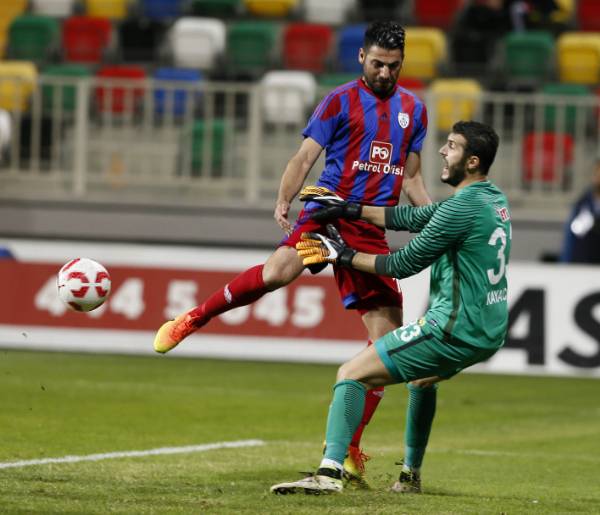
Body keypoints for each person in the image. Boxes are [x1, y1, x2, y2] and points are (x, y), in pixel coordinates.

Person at [153, 20, 431, 484]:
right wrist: (285, 198)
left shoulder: (413, 110)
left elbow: (413, 180)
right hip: (328, 217)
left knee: (386, 344)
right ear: (361, 57)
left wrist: (437, 221)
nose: (385, 73)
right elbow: (303, 158)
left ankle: (347, 447)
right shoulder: (339, 100)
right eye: (378, 63)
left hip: (369, 231)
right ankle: (194, 318)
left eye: (394, 66)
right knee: (277, 272)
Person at [270, 120, 511, 495]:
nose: (443, 152)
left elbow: (402, 264)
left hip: (452, 328)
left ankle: (329, 473)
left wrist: (343, 255)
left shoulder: (460, 208)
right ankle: (410, 476)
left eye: (452, 146)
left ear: (473, 161)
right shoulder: (492, 198)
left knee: (350, 374)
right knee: (421, 380)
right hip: (488, 330)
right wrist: (350, 209)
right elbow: (413, 217)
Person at [559, 156, 600, 264]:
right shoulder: (582, 204)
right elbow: (571, 238)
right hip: (584, 265)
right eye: (597, 172)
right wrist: (565, 264)